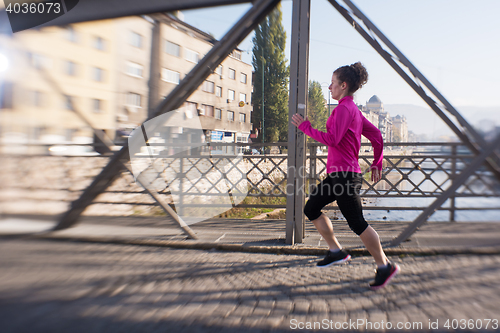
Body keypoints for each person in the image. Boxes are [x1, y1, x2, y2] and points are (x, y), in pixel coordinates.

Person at [291, 62, 400, 290]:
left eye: (332, 83)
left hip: (345, 177)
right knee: (311, 209)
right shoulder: (354, 111)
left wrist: (306, 127)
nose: (329, 88)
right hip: (337, 175)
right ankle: (336, 251)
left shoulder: (343, 109)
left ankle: (384, 266)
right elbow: (377, 135)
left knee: (357, 223)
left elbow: (333, 139)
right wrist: (377, 161)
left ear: (343, 85)